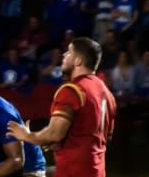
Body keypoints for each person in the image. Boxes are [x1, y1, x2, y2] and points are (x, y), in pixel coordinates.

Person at [6, 37, 117, 177]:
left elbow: (54, 133)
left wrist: (25, 135)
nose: (64, 55)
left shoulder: (72, 90)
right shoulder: (107, 94)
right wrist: (63, 141)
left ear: (78, 61)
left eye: (69, 52)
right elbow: (104, 137)